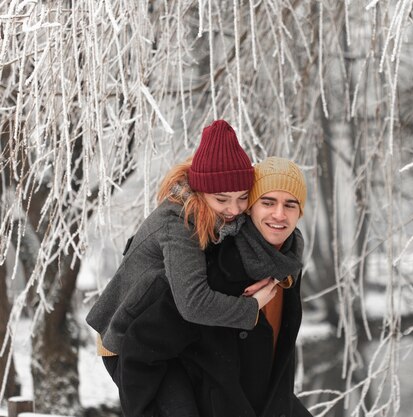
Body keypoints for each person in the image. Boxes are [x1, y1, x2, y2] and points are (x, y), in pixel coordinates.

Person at [86, 120, 278, 416]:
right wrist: (251, 308)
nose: (235, 209)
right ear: (201, 192)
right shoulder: (178, 225)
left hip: (166, 334)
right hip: (125, 338)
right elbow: (193, 303)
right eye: (222, 200)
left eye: (242, 198)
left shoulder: (217, 217)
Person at [117, 157, 313, 417]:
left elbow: (277, 363)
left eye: (290, 204)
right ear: (250, 208)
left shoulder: (287, 267)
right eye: (268, 202)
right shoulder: (216, 266)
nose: (279, 214)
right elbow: (141, 346)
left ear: (300, 212)